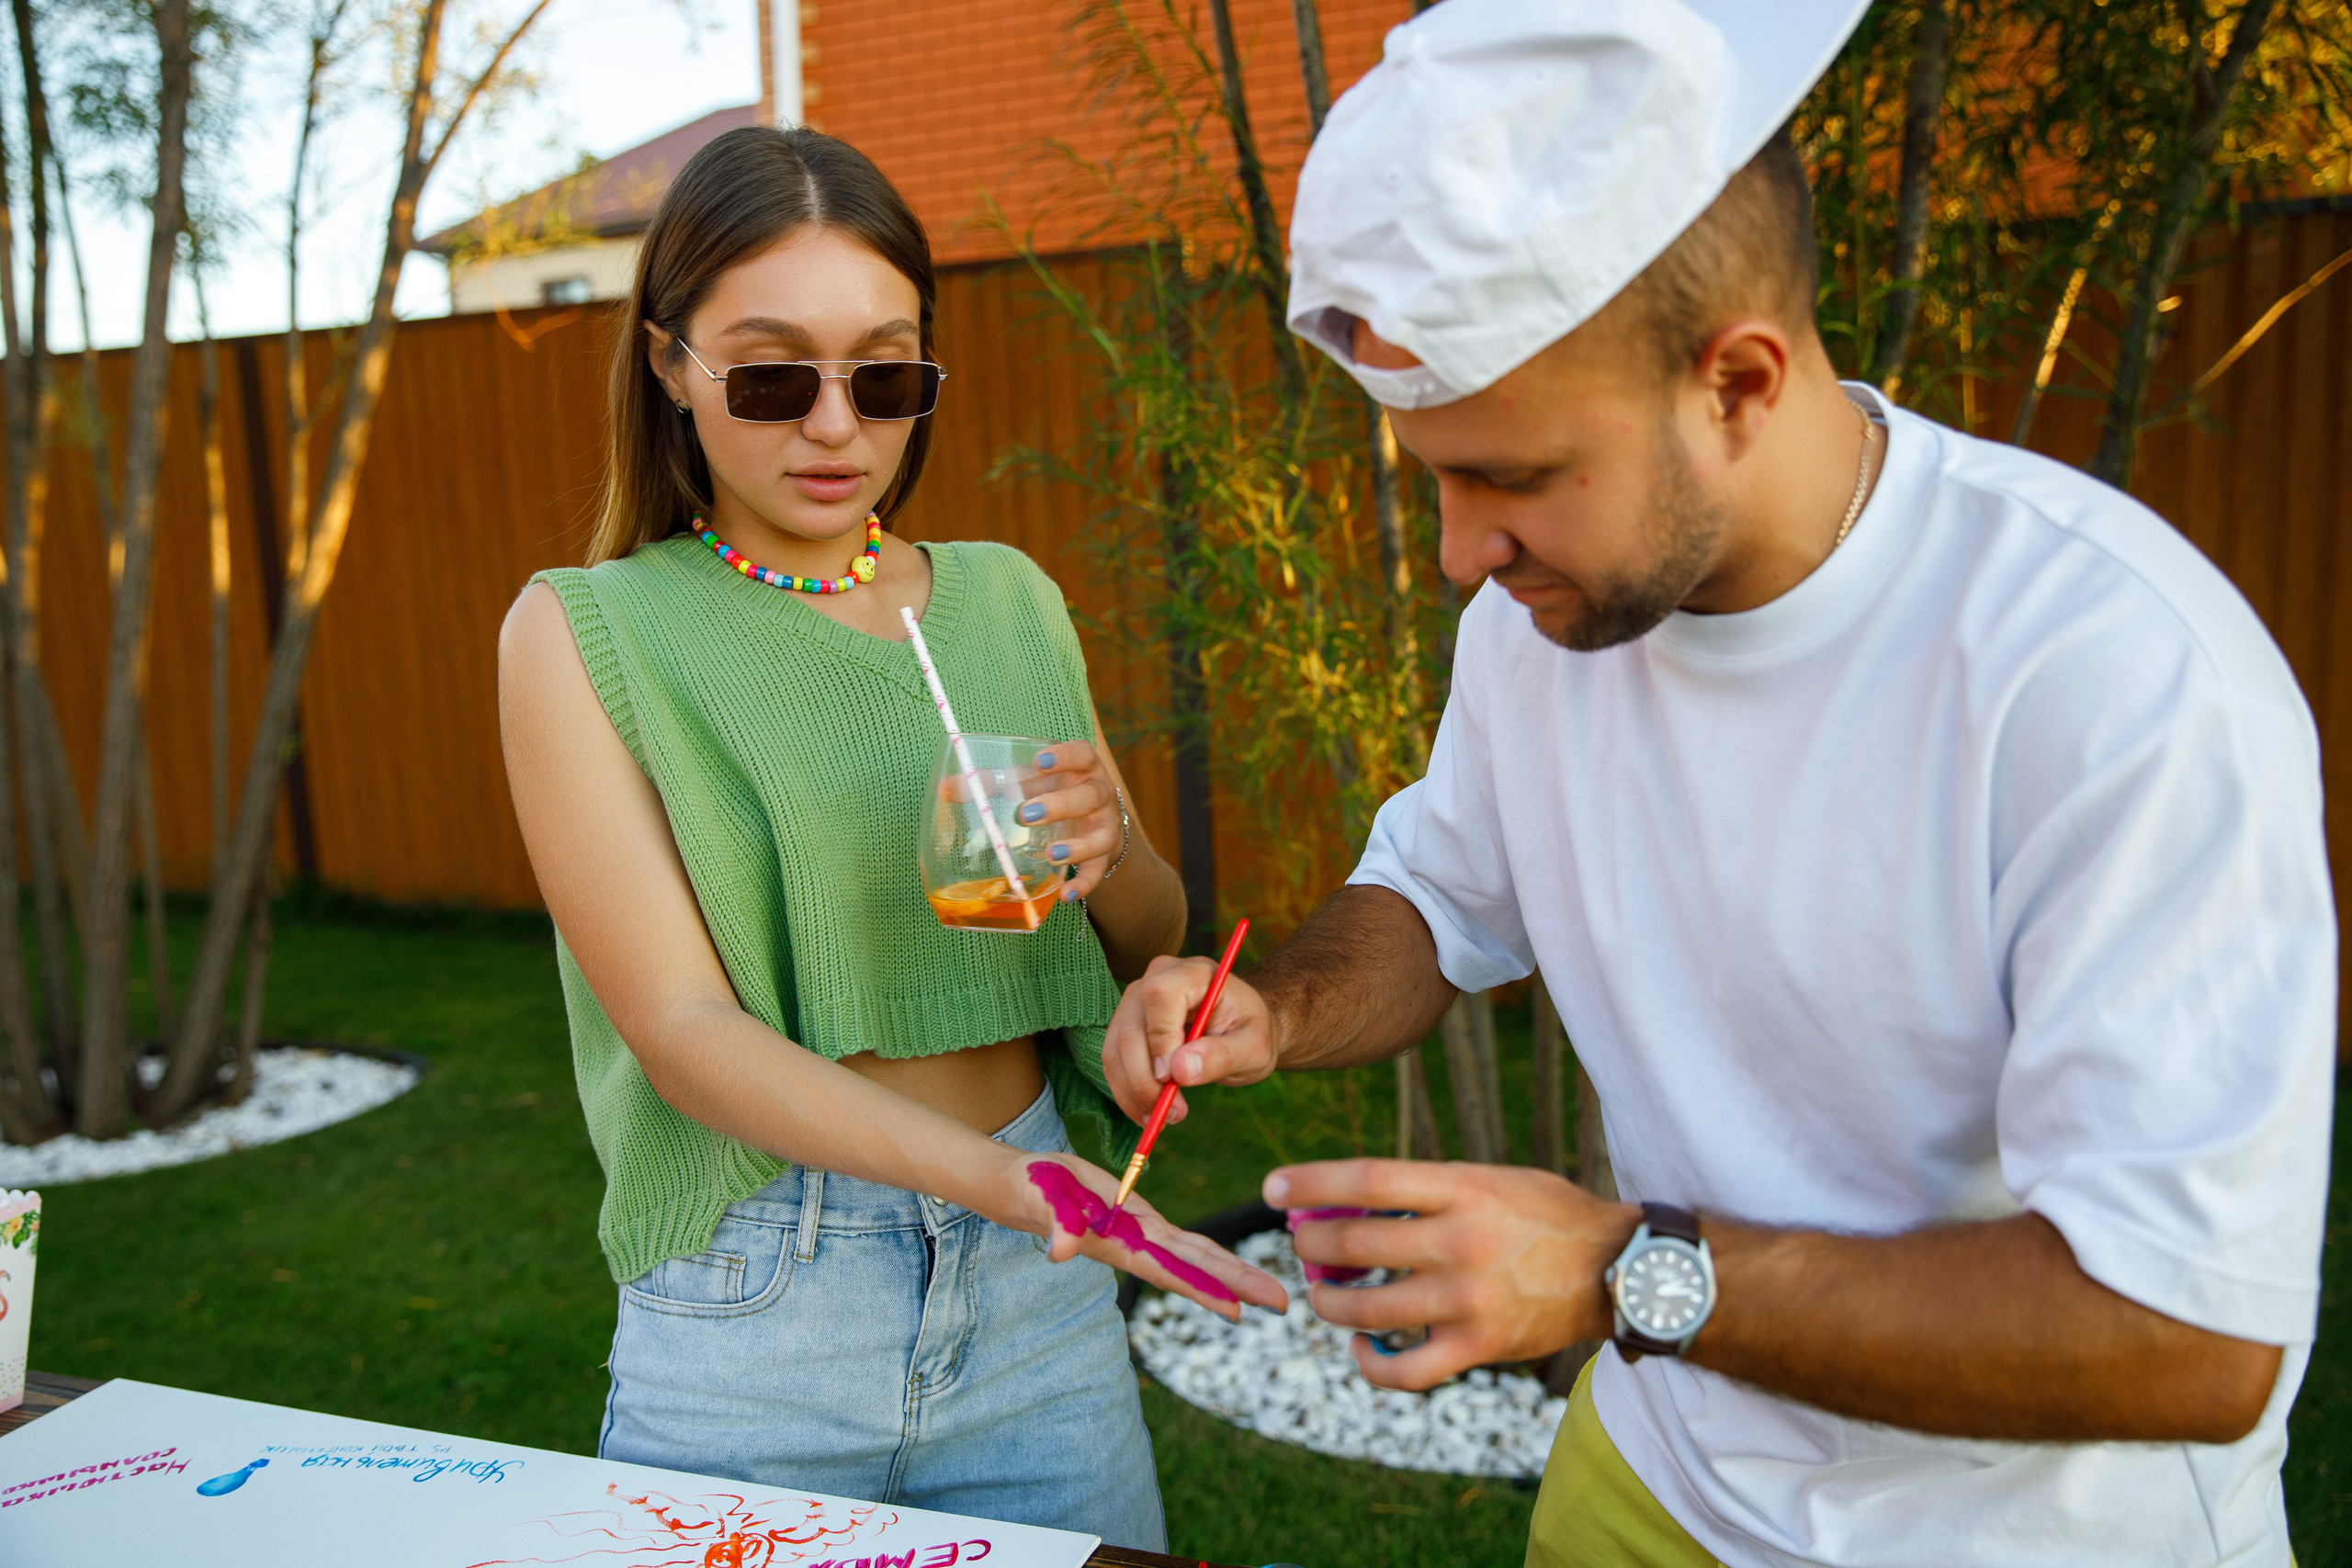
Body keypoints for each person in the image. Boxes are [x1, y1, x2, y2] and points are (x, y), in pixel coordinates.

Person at [1104, 3, 2333, 1564]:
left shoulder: (2111, 678)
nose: (1459, 554)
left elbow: (2190, 1336)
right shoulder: (1530, 632)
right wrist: (1280, 1008)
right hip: (1656, 1475)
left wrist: (1621, 1274)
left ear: (1739, 382)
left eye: (1517, 478)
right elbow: (1436, 896)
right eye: (1437, 476)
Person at [498, 125, 1281, 1551]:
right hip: (764, 1304)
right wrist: (1009, 1184)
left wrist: (1114, 854)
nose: (839, 426)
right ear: (671, 362)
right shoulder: (587, 632)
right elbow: (680, 1029)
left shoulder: (1006, 602)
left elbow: (1146, 932)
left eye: (889, 371)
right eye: (775, 372)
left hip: (1039, 1300)